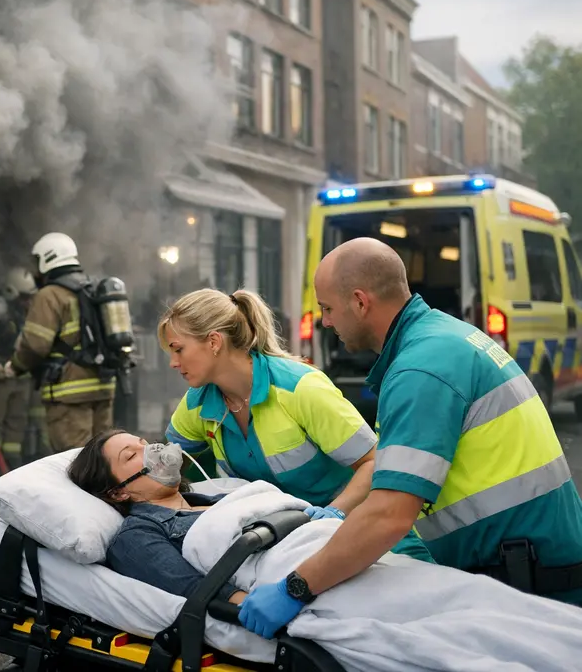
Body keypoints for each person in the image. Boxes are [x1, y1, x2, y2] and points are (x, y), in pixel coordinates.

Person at [238, 237, 582, 639]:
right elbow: (395, 471)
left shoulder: (419, 370)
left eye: (328, 309)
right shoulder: (444, 338)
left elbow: (391, 513)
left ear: (360, 302)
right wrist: (342, 512)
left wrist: (296, 587)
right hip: (536, 566)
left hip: (532, 586)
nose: (325, 322)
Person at [160, 288, 431, 561]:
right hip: (282, 545)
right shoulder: (197, 403)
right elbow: (162, 470)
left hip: (362, 534)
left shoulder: (301, 388)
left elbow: (374, 463)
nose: (173, 363)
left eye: (178, 349)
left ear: (214, 342)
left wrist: (335, 513)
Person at [68, 429, 249, 607]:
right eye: (131, 455)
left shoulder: (221, 499)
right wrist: (262, 602)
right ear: (118, 492)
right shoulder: (137, 536)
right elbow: (198, 590)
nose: (153, 450)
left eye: (144, 443)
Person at [4, 232, 116, 451]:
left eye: (38, 262)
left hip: (69, 392)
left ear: (48, 258)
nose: (36, 270)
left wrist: (15, 366)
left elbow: (36, 345)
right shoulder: (92, 287)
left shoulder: (50, 295)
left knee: (74, 460)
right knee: (101, 458)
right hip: (104, 387)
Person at [0, 267, 38, 469]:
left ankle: (12, 459)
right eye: (24, 297)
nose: (28, 301)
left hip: (21, 375)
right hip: (0, 375)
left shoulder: (28, 312)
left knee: (17, 420)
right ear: (11, 292)